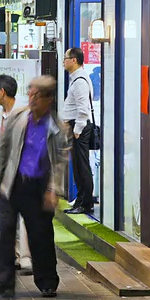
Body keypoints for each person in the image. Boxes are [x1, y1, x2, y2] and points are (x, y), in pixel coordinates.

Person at [0, 75, 68, 298]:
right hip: (13, 183)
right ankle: (3, 281)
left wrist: (54, 189)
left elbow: (60, 163)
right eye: (30, 94)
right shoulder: (19, 118)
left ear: (48, 99)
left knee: (41, 235)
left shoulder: (57, 127)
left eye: (37, 96)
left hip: (39, 187)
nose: (32, 99)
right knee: (6, 231)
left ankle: (47, 281)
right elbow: (4, 148)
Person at [0, 74, 32, 274]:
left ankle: (26, 257)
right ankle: (14, 256)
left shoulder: (24, 116)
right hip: (4, 176)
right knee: (7, 219)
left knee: (24, 218)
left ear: (3, 92)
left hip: (22, 175)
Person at [61, 47, 94, 215]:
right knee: (78, 166)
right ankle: (81, 201)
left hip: (79, 128)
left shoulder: (80, 81)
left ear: (74, 60)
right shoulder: (76, 79)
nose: (63, 61)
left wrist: (78, 129)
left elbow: (84, 109)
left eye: (66, 58)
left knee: (82, 166)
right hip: (75, 127)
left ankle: (85, 203)